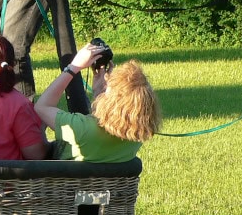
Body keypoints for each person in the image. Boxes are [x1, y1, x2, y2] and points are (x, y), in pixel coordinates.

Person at [34, 42, 162, 162]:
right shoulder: (136, 137)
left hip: (66, 185)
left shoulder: (81, 129)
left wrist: (73, 67)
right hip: (110, 186)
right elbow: (109, 125)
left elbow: (42, 106)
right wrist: (99, 94)